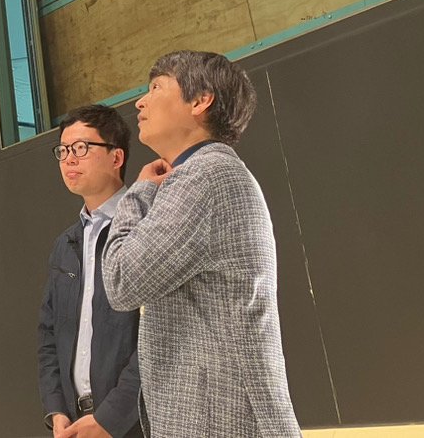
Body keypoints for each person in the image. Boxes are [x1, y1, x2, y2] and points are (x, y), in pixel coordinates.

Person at [102, 51, 300, 438]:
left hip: (220, 421)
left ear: (199, 100)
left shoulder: (204, 177)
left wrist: (138, 193)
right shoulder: (210, 173)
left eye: (156, 87)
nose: (140, 101)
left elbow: (121, 280)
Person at [38, 105, 143, 438]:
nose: (69, 159)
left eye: (82, 148)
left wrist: (111, 418)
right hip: (75, 423)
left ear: (116, 158)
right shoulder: (65, 245)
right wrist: (56, 410)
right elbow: (48, 335)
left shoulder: (146, 224)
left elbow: (162, 334)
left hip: (138, 422)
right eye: (63, 150)